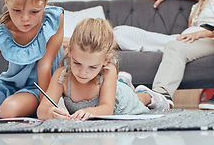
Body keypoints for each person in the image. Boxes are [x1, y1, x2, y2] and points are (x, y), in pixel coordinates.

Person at [37, 18, 170, 121]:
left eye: (92, 67)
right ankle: (122, 81)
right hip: (110, 89)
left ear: (105, 61)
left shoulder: (108, 70)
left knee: (137, 100)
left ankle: (147, 94)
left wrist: (91, 112)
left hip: (121, 104)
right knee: (117, 87)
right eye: (77, 63)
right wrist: (50, 112)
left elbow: (107, 109)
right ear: (70, 52)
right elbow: (42, 109)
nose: (83, 72)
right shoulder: (62, 75)